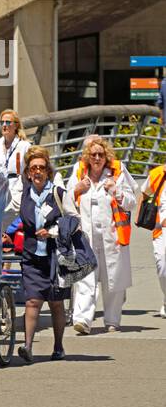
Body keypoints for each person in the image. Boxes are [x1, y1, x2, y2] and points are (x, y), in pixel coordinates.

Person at [66, 135, 136, 333]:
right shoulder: (79, 173)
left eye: (101, 154)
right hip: (85, 236)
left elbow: (132, 202)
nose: (97, 158)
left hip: (112, 237)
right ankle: (83, 320)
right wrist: (77, 190)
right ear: (87, 156)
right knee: (85, 278)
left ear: (106, 157)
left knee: (112, 280)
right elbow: (65, 199)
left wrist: (116, 191)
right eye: (93, 154)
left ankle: (112, 320)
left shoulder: (117, 173)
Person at [6, 147, 70, 362]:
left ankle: (59, 346)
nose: (37, 171)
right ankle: (28, 346)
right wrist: (5, 234)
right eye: (33, 168)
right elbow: (7, 211)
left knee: (56, 303)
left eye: (41, 167)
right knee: (32, 301)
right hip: (32, 255)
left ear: (48, 171)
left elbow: (74, 221)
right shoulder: (23, 194)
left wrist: (52, 232)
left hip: (55, 256)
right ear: (28, 173)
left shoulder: (59, 194)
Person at [141, 161, 166, 318]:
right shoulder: (157, 174)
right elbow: (144, 193)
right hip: (161, 230)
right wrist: (140, 216)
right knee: (162, 266)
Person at [0, 109, 31, 183]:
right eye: (2, 122)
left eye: (8, 122)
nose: (4, 125)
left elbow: (30, 170)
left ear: (16, 125)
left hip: (17, 189)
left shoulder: (25, 146)